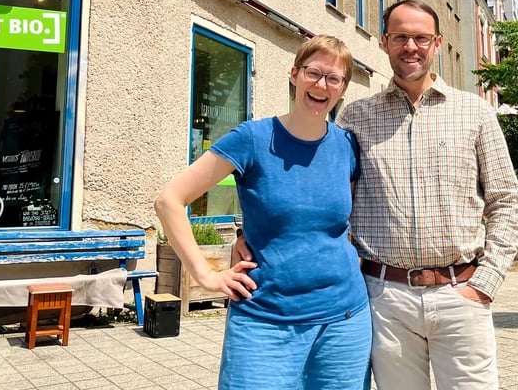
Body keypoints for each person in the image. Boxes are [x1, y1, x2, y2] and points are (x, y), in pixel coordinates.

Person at [236, 0, 518, 389]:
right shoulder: (356, 116)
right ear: (386, 42)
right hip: (386, 299)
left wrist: (484, 284)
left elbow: (506, 200)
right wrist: (249, 233)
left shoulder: (474, 112)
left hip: (461, 294)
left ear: (437, 43)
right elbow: (314, 187)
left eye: (421, 38)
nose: (411, 47)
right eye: (401, 37)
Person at [154, 35, 370, 390]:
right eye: (313, 72)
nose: (321, 85)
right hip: (265, 321)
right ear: (294, 74)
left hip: (344, 321)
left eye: (334, 78)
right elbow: (170, 200)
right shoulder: (253, 138)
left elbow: (332, 222)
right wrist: (206, 276)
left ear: (343, 87)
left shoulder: (346, 146)